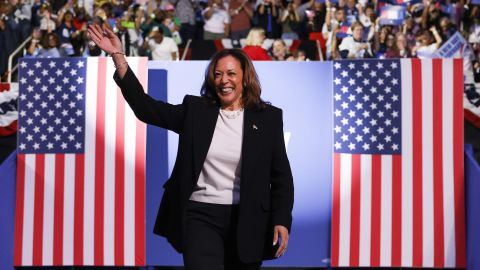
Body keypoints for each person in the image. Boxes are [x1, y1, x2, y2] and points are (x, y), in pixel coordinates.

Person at [87, 23, 294, 270]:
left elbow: (281, 176)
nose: (223, 80)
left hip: (248, 218)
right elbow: (146, 108)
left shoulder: (268, 118)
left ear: (245, 78)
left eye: (230, 74)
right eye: (217, 74)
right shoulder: (196, 111)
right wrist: (118, 57)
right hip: (201, 216)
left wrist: (281, 219)